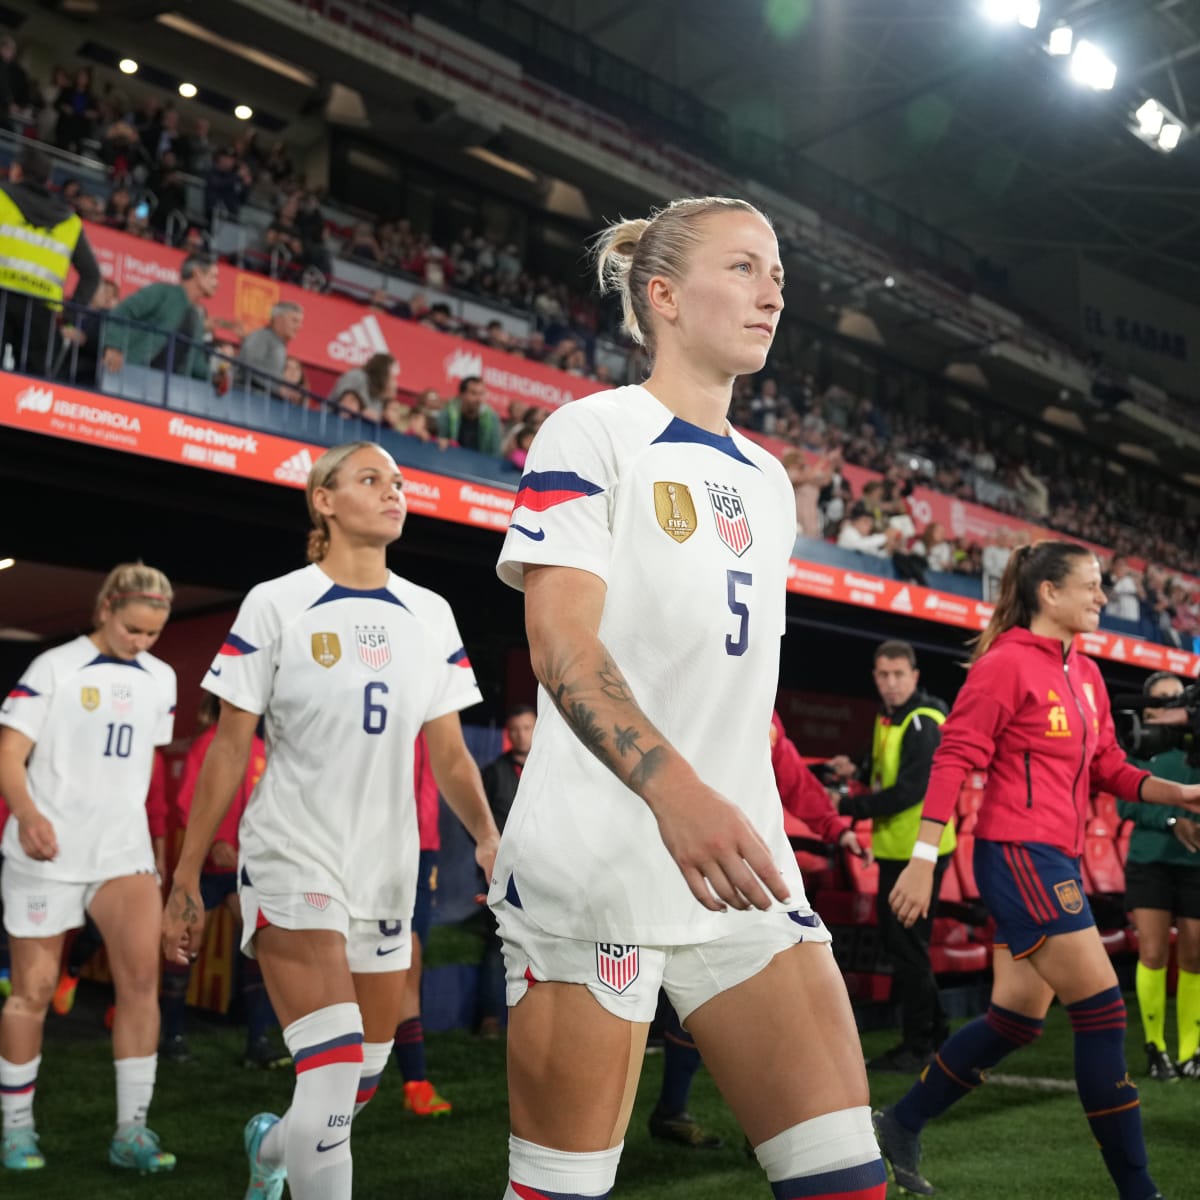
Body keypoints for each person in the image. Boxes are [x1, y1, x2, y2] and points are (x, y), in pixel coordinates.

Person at [490, 197, 886, 1200]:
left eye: (779, 278)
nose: (772, 294)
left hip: (742, 865)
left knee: (847, 1181)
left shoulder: (766, 479)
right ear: (662, 296)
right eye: (746, 269)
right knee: (561, 1191)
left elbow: (736, 691)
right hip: (602, 863)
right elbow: (560, 643)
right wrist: (673, 791)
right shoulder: (592, 432)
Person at [161, 440, 500, 1200]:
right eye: (371, 478)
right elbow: (228, 748)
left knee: (357, 1084)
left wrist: (485, 833)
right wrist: (186, 873)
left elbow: (447, 754)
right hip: (291, 855)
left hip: (384, 871)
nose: (394, 491)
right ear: (324, 500)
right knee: (335, 1061)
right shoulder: (275, 602)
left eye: (400, 482)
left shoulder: (431, 614)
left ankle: (270, 1145)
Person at [877, 540, 1200, 1200]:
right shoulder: (1003, 666)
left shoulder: (1084, 672)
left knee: (1017, 1020)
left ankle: (900, 1123)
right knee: (1104, 1014)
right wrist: (920, 860)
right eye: (1092, 585)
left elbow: (1109, 765)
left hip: (1055, 859)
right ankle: (1141, 1193)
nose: (1104, 597)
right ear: (1049, 593)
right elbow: (953, 758)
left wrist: (1183, 794)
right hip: (1019, 855)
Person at [0, 563, 178, 1174]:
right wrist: (26, 814)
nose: (142, 643)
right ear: (105, 609)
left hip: (121, 854)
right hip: (46, 851)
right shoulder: (53, 667)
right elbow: (8, 754)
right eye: (133, 629)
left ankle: (132, 1131)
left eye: (153, 634)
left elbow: (145, 773)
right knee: (34, 992)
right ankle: (17, 1130)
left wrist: (156, 848)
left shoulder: (162, 679)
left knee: (140, 986)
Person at [649, 711, 873, 1150]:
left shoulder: (762, 708)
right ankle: (678, 1112)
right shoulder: (686, 685)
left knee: (765, 989)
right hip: (677, 863)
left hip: (746, 868)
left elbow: (792, 776)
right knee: (693, 995)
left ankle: (762, 1125)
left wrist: (835, 828)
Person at [828, 641, 953, 1073]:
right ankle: (936, 1036)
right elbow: (884, 767)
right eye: (883, 675)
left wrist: (843, 807)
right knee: (906, 946)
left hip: (918, 854)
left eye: (898, 674)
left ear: (915, 676)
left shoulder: (923, 721)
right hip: (900, 850)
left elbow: (908, 792)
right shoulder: (892, 718)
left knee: (907, 948)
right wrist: (857, 770)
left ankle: (920, 1045)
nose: (891, 683)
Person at [159, 692, 288, 1069]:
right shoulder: (208, 744)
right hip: (206, 871)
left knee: (257, 946)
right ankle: (172, 1035)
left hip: (249, 870)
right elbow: (187, 801)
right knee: (186, 944)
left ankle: (258, 1042)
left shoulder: (266, 748)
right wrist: (214, 841)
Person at [1115, 671, 1200, 1083]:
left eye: (1177, 702)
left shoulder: (1194, 743)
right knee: (1152, 953)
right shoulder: (1138, 743)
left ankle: (1190, 1050)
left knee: (1194, 956)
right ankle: (1156, 1047)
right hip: (1150, 860)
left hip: (1195, 863)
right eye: (1162, 703)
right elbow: (1125, 805)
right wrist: (1171, 820)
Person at [390, 732, 453, 1116]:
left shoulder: (440, 710)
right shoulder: (395, 702)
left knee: (410, 962)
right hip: (388, 845)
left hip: (424, 849)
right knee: (400, 958)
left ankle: (414, 1080)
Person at [0, 144, 100, 376]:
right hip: (41, 313)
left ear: (16, 170)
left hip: (2, 298)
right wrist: (70, 317)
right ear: (47, 181)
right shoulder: (69, 221)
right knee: (32, 388)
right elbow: (92, 274)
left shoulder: (2, 197)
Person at [478, 704, 537, 1038]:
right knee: (496, 945)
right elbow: (476, 822)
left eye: (527, 728)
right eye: (515, 729)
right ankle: (490, 1019)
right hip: (500, 873)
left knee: (542, 944)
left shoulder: (550, 769)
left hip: (545, 872)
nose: (521, 735)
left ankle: (532, 1020)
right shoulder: (493, 772)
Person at [102, 253, 219, 381]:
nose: (217, 283)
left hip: (166, 390)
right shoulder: (162, 292)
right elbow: (123, 311)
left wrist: (214, 377)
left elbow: (195, 362)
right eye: (213, 276)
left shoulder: (198, 316)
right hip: (127, 374)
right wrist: (114, 347)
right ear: (197, 274)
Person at [236, 302, 304, 391]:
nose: (299, 327)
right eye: (294, 320)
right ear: (278, 319)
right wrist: (278, 388)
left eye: (300, 322)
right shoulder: (262, 337)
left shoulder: (279, 344)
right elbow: (247, 364)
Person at [438, 376, 503, 456]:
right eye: (473, 393)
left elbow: (494, 452)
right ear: (462, 394)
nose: (478, 399)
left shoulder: (492, 419)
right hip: (449, 458)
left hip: (479, 463)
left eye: (482, 394)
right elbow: (440, 437)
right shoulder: (448, 412)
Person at [329, 352, 396, 419]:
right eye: (390, 375)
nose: (392, 380)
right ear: (382, 372)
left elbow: (374, 419)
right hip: (330, 422)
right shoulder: (358, 376)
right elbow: (346, 404)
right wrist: (363, 413)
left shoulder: (378, 397)